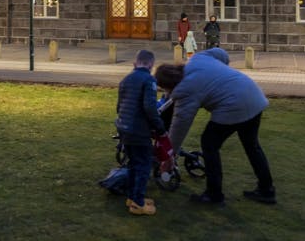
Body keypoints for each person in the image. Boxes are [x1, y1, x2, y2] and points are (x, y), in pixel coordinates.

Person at [167, 48, 276, 206]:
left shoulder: (185, 89)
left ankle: (214, 195)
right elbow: (221, 54)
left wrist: (170, 154)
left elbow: (180, 125)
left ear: (171, 85)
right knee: (252, 146)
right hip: (253, 95)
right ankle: (267, 190)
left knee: (209, 144)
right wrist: (221, 74)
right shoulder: (198, 58)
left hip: (232, 106)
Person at [116, 49, 164, 216]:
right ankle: (138, 203)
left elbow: (119, 106)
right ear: (151, 65)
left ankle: (132, 197)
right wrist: (160, 127)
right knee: (144, 165)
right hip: (139, 130)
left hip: (124, 128)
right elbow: (150, 107)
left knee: (133, 164)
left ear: (135, 63)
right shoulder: (149, 80)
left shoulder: (125, 79)